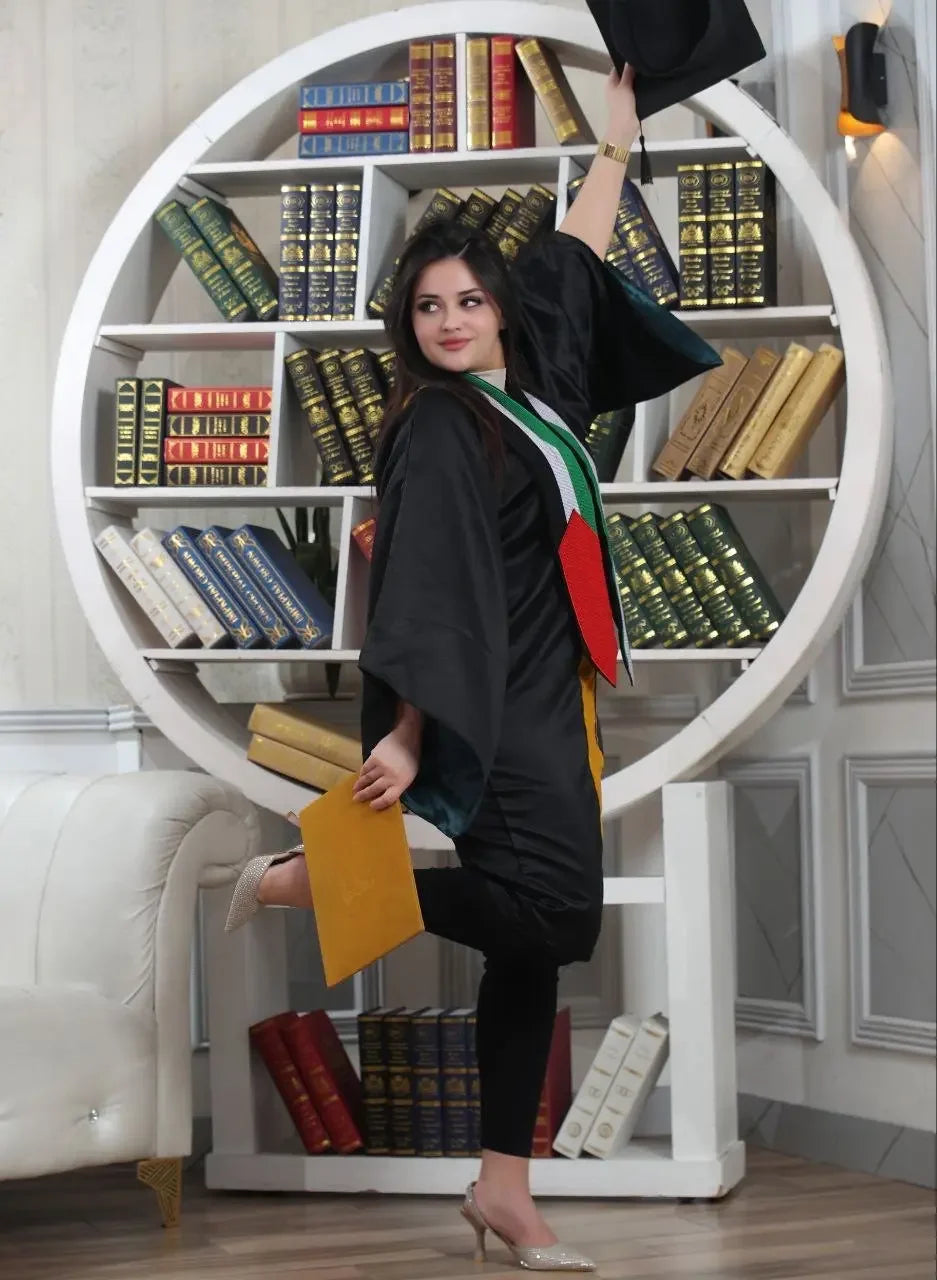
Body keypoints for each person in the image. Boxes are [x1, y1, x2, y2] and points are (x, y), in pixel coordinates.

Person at [225, 65, 718, 1273]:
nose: (449, 321)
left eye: (466, 301)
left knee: (532, 946)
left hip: (561, 693)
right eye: (427, 307)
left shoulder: (530, 392)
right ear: (411, 328)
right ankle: (309, 882)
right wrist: (401, 732)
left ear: (496, 312)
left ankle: (504, 1186)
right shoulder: (440, 424)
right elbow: (427, 587)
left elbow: (572, 262)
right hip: (496, 704)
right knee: (552, 910)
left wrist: (612, 142)